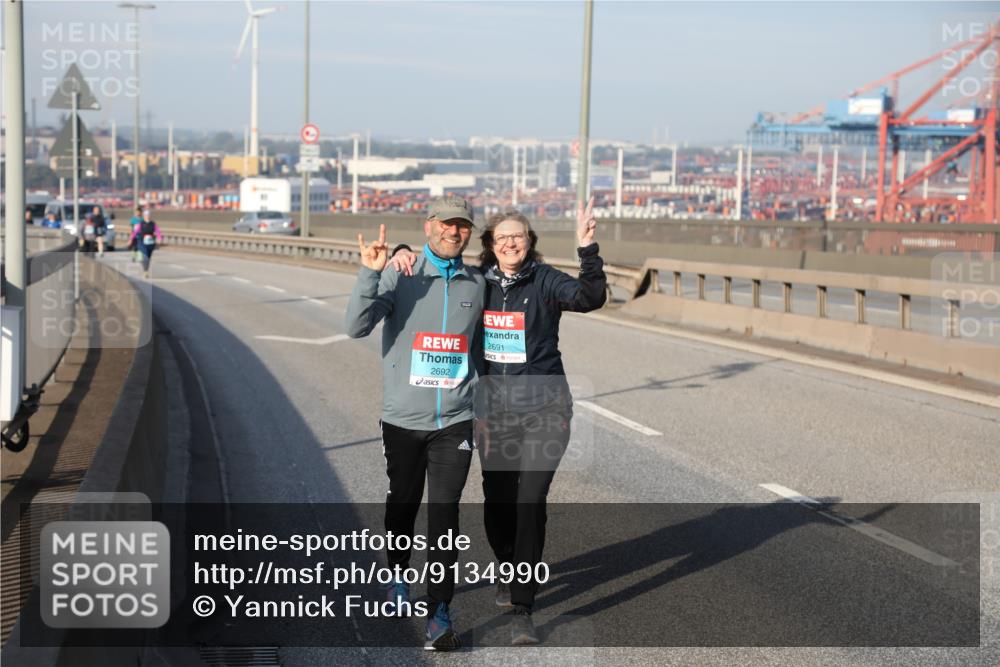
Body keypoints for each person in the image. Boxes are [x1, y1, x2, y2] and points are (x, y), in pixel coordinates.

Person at [391, 198, 607, 645]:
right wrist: (401, 248)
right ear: (490, 244)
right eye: (503, 237)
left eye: (520, 236)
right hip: (493, 412)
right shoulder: (477, 282)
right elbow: (439, 261)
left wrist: (588, 248)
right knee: (498, 502)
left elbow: (589, 297)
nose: (512, 243)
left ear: (530, 244)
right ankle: (508, 563)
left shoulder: (545, 281)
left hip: (546, 407)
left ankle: (522, 607)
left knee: (530, 500)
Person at [345, 196, 485, 652]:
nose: (454, 232)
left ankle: (440, 614)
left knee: (445, 516)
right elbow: (355, 327)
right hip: (403, 419)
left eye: (463, 226)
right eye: (447, 224)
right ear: (429, 227)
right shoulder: (401, 272)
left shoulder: (476, 283)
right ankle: (398, 575)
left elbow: (488, 347)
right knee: (403, 505)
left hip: (456, 422)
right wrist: (371, 272)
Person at [128, 208, 162, 278]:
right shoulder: (140, 224)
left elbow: (158, 231)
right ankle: (145, 272)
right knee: (145, 256)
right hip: (142, 242)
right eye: (146, 215)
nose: (147, 216)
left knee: (148, 258)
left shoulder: (153, 224)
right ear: (143, 216)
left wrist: (159, 239)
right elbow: (135, 232)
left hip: (151, 243)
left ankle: (146, 269)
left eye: (148, 215)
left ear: (150, 216)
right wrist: (130, 239)